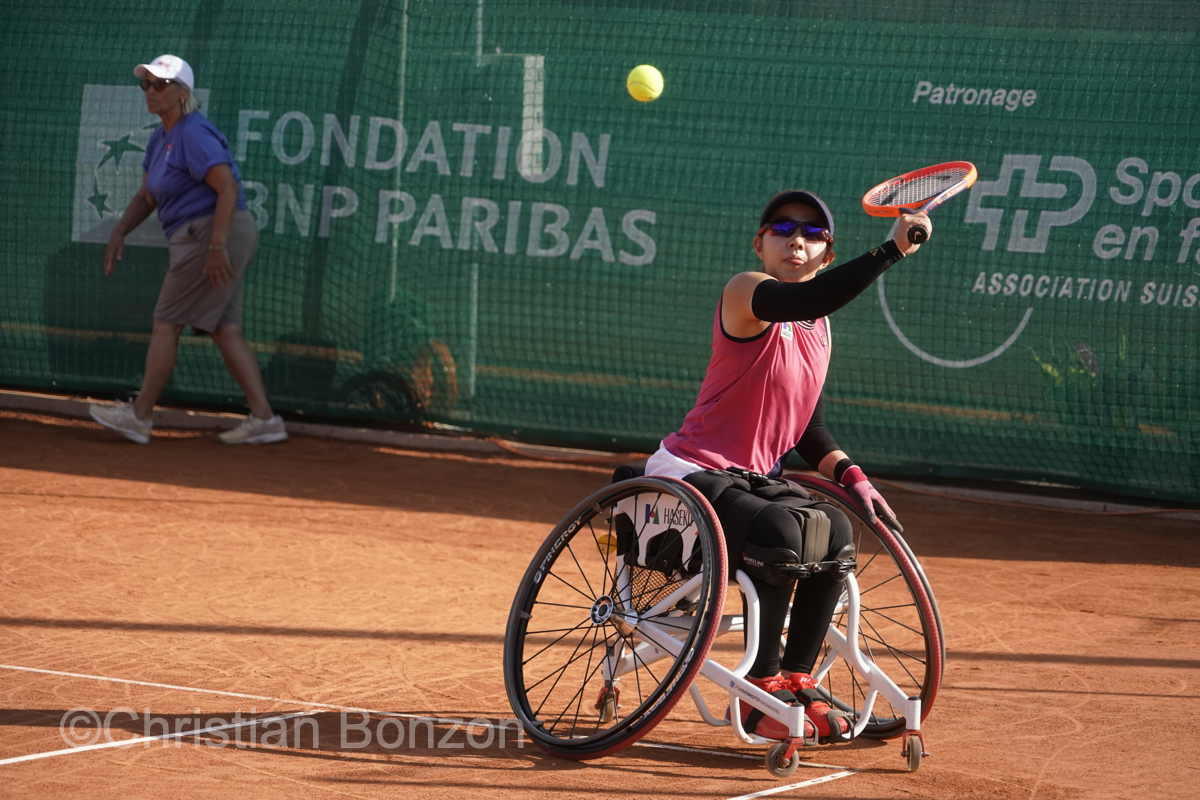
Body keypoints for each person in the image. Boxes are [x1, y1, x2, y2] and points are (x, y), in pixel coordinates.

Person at [645, 189, 930, 742]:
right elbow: (806, 300)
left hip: (752, 480)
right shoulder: (746, 292)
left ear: (826, 253)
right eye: (782, 229)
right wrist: (889, 251)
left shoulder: (817, 328)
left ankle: (795, 679)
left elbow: (807, 429)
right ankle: (760, 691)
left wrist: (855, 478)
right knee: (782, 531)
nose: (796, 239)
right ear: (760, 243)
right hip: (689, 471)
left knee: (837, 531)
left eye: (813, 234)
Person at [88, 54, 286, 446]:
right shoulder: (161, 136)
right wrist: (119, 231)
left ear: (182, 93)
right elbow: (148, 196)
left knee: (167, 322)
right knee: (226, 330)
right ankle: (265, 419)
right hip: (212, 235)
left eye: (159, 85)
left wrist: (216, 247)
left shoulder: (194, 133)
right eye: (145, 84)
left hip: (210, 234)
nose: (150, 91)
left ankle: (140, 416)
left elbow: (227, 188)